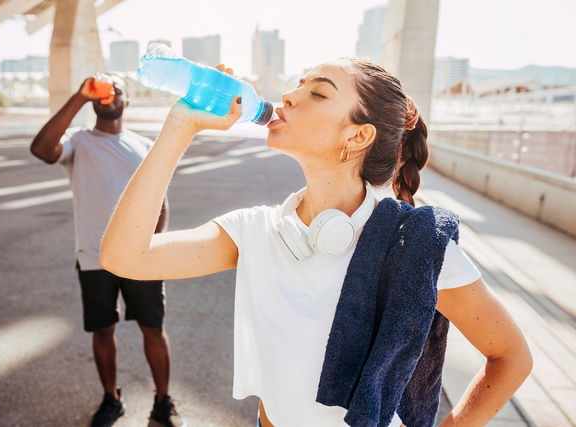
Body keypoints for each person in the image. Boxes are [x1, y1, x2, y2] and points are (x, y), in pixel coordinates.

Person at [99, 60, 533, 427]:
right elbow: (125, 256)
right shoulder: (255, 231)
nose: (288, 96)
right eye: (298, 84)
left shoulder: (414, 246)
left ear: (357, 136)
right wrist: (180, 126)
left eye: (318, 93)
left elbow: (511, 356)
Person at [29, 74, 184, 427]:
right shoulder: (78, 142)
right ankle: (111, 399)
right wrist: (79, 96)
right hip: (94, 256)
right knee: (103, 330)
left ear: (126, 102)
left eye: (118, 90)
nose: (109, 93)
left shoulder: (144, 146)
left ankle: (163, 403)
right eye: (103, 90)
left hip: (140, 256)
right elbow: (41, 150)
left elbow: (160, 201)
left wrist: (153, 246)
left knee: (153, 329)